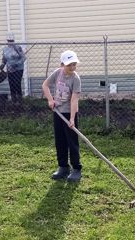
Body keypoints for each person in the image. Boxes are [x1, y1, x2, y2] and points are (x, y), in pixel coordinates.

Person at [42, 50, 82, 182]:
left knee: (72, 142)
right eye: (69, 65)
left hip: (69, 113)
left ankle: (76, 169)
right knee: (60, 141)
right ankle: (63, 167)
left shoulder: (75, 78)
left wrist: (71, 118)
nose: (72, 67)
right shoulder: (57, 73)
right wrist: (50, 100)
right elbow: (45, 85)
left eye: (74, 64)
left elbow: (74, 99)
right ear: (62, 64)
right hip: (57, 112)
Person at [0, 32, 26, 105]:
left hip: (18, 69)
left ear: (13, 41)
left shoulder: (18, 48)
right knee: (11, 84)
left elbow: (24, 58)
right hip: (9, 69)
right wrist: (2, 64)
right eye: (9, 41)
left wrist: (16, 64)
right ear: (7, 41)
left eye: (11, 41)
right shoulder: (5, 49)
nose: (10, 42)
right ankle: (14, 100)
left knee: (17, 83)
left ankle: (20, 100)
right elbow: (4, 59)